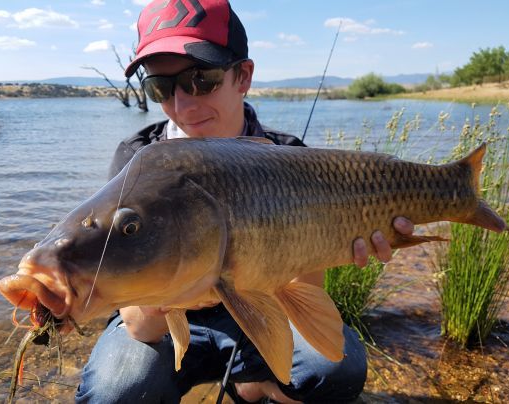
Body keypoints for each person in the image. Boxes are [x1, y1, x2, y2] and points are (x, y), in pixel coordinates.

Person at [75, 1, 414, 402]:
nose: (183, 104)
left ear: (243, 76)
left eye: (201, 79)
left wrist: (336, 245)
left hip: (258, 308)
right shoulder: (135, 159)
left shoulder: (289, 157)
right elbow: (139, 329)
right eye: (161, 87)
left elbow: (301, 293)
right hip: (161, 325)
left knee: (334, 370)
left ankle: (251, 383)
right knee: (115, 391)